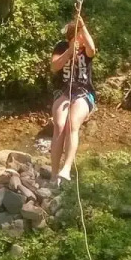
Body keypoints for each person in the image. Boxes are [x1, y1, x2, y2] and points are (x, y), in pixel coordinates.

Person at [50, 15, 97, 183]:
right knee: (59, 125)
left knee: (72, 123)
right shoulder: (61, 46)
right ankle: (54, 174)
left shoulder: (87, 50)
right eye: (81, 34)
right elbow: (55, 66)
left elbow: (93, 48)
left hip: (84, 92)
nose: (84, 38)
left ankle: (66, 168)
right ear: (73, 37)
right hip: (63, 92)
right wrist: (69, 52)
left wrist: (83, 25)